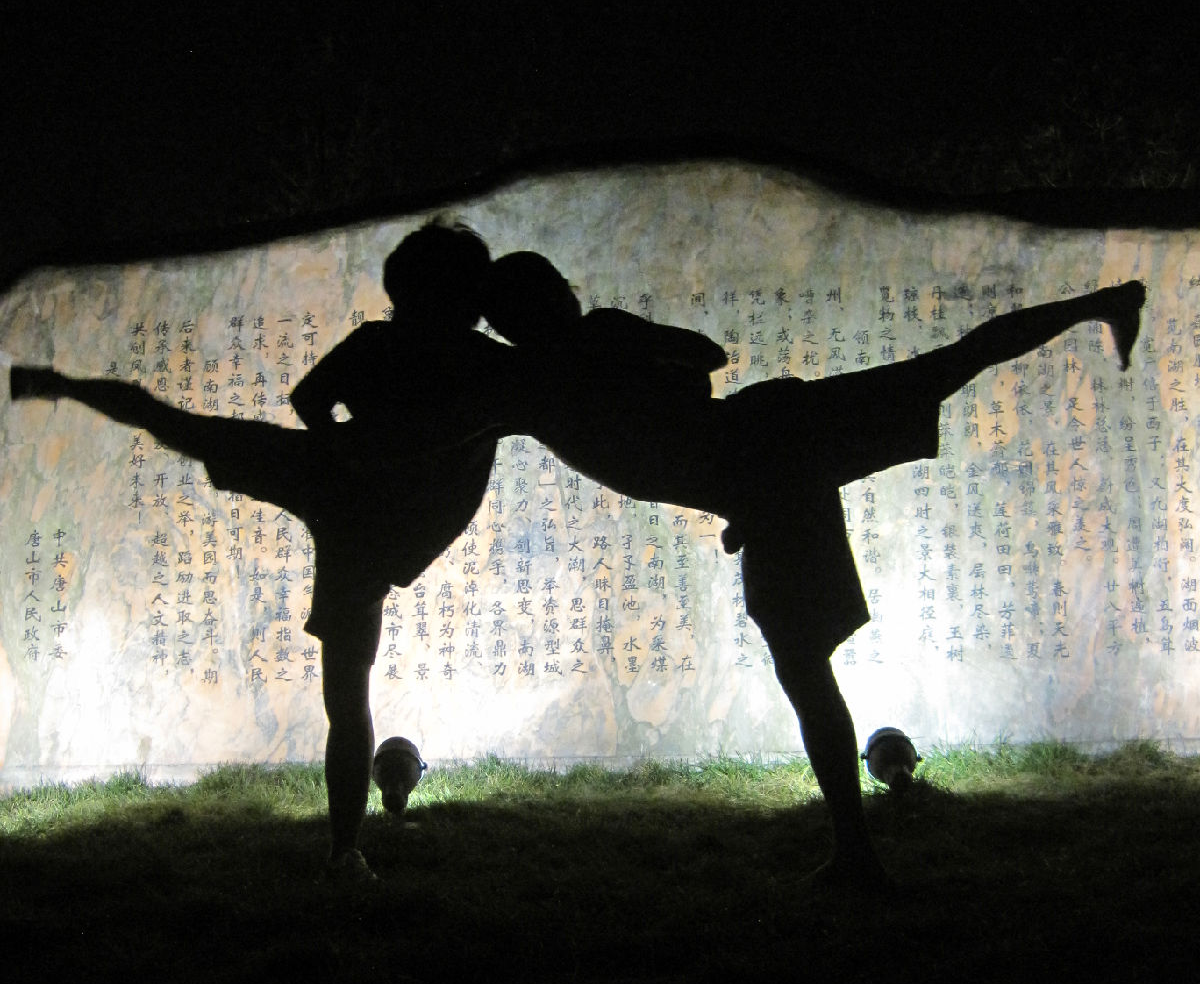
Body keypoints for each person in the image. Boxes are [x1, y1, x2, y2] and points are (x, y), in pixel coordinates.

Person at [484, 251, 1147, 888]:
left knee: (804, 664)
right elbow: (697, 373)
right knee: (946, 367)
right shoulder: (566, 364)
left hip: (769, 449)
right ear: (549, 302)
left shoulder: (554, 375)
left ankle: (856, 854)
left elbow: (694, 382)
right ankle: (1100, 304)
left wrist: (646, 372)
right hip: (765, 457)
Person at [11, 221, 528, 877]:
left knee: (179, 427)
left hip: (340, 496)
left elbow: (309, 398)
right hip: (358, 516)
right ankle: (345, 851)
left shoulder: (403, 349)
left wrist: (341, 448)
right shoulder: (487, 365)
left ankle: (60, 384)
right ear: (466, 297)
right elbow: (313, 399)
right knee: (348, 698)